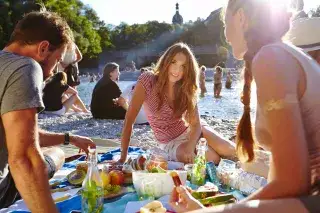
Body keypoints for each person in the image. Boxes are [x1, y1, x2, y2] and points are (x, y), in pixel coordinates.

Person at [170, 0, 320, 212]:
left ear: (240, 17)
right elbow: (282, 177)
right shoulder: (280, 53)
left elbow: (293, 182)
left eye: (224, 24)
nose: (225, 35)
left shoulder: (271, 57)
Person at [0, 11, 95, 211]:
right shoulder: (26, 67)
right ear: (43, 48)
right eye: (57, 60)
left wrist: (70, 138)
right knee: (56, 154)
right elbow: (24, 157)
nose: (53, 71)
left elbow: (20, 134)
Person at [118, 42, 235, 164]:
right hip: (170, 142)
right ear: (166, 61)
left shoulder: (186, 87)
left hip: (193, 131)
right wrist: (123, 157)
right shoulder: (148, 80)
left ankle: (247, 150)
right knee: (214, 159)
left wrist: (191, 145)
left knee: (230, 150)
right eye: (173, 62)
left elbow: (195, 125)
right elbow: (129, 120)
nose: (176, 70)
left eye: (183, 66)